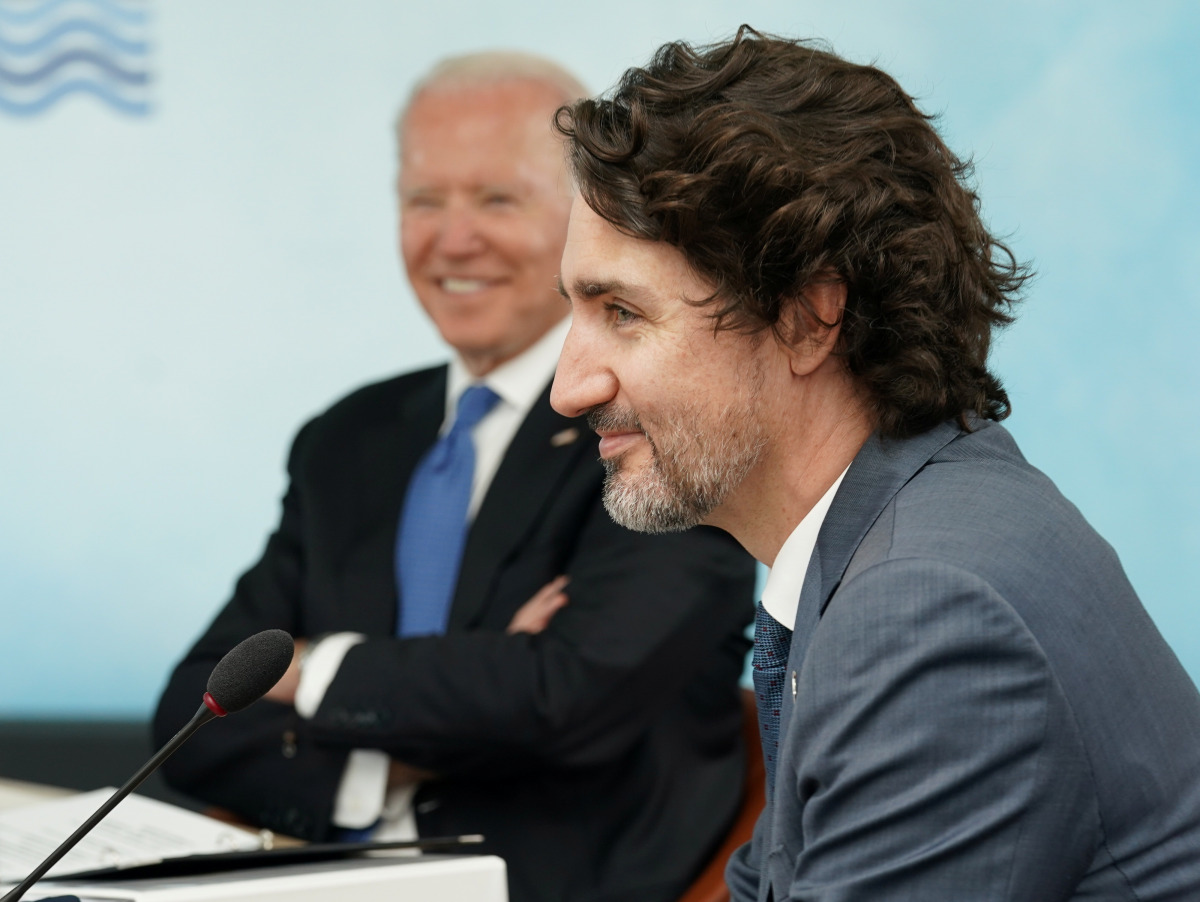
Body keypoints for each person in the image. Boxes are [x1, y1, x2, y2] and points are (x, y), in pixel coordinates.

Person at [550, 27, 1200, 901]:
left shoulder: (929, 607)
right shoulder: (898, 540)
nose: (568, 389)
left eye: (622, 313)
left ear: (808, 319)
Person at [154, 52, 756, 902]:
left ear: (591, 218)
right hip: (315, 879)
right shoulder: (348, 438)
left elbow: (563, 697)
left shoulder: (661, 423)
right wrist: (422, 732)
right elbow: (195, 711)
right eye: (424, 200)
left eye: (497, 199)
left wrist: (314, 670)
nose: (453, 238)